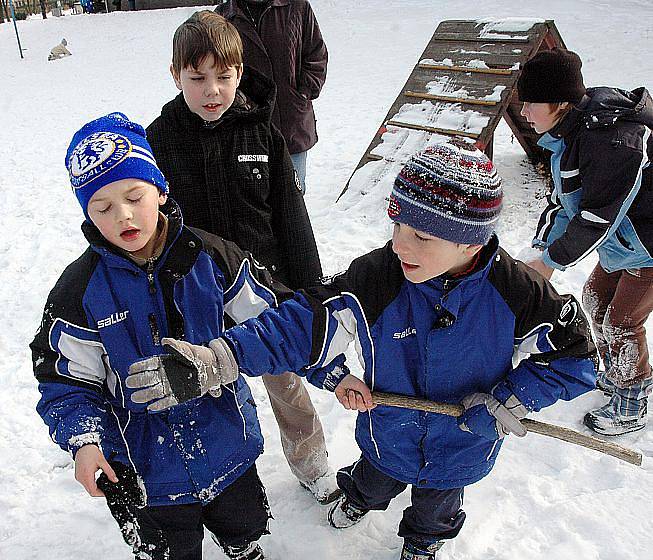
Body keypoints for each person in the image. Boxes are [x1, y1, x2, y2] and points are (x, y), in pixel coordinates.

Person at [127, 141, 598, 560]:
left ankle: (421, 543)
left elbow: (577, 357)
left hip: (464, 443)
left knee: (436, 509)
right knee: (372, 481)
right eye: (397, 226)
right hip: (386, 432)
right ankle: (356, 498)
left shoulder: (519, 293)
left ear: (470, 241)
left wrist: (508, 401)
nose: (399, 245)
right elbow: (301, 328)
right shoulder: (379, 277)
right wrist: (221, 359)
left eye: (422, 236)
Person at [31, 113, 365, 560]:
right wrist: (85, 440)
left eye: (134, 196)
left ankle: (242, 546)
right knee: (171, 548)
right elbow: (66, 381)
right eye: (103, 207)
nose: (123, 215)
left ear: (160, 190)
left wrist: (333, 371)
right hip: (144, 466)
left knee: (242, 519)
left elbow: (279, 321)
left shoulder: (211, 258)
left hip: (226, 443)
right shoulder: (79, 292)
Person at [146, 10, 338, 504]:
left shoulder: (262, 133)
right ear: (175, 75)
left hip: (259, 288)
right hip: (196, 295)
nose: (213, 90)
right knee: (209, 386)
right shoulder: (159, 140)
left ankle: (311, 462)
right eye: (197, 78)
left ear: (239, 71)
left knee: (286, 382)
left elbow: (290, 216)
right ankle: (222, 478)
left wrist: (309, 287)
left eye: (224, 76)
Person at [517, 48, 653, 435]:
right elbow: (565, 203)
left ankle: (632, 397)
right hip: (627, 239)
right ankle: (624, 370)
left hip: (648, 245)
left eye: (530, 102)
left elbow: (596, 217)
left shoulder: (612, 142)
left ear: (560, 103)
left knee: (623, 321)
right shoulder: (570, 133)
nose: (523, 111)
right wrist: (541, 250)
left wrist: (551, 261)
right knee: (595, 300)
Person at [215, 0, 328, 193]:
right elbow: (216, 68)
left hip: (292, 123)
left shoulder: (297, 6)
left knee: (293, 194)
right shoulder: (225, 15)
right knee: (254, 196)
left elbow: (316, 55)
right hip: (247, 126)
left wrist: (302, 92)